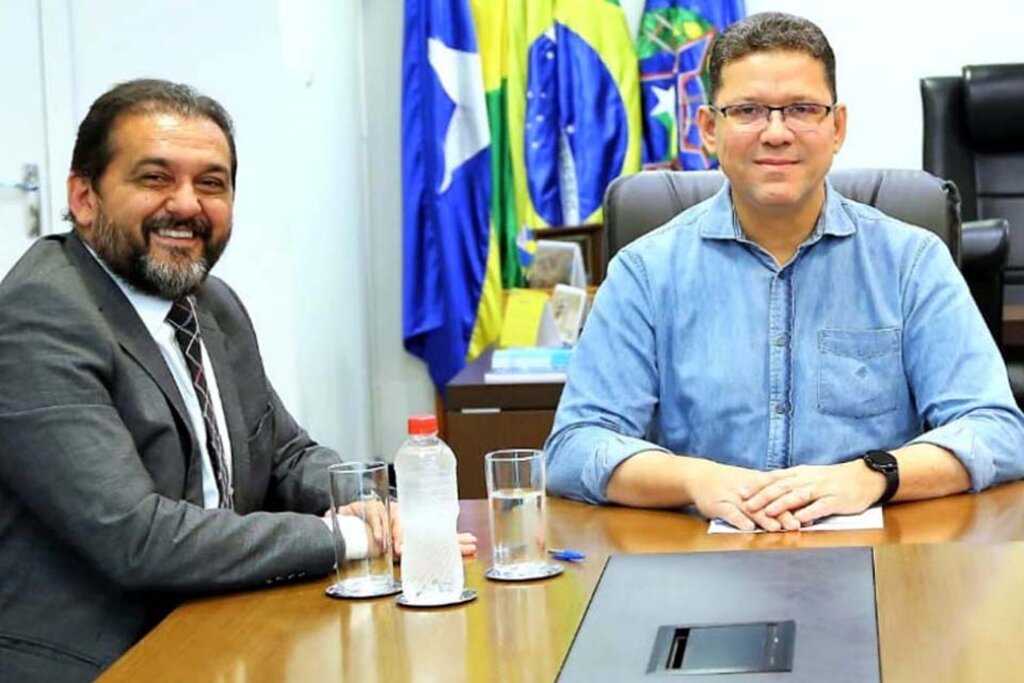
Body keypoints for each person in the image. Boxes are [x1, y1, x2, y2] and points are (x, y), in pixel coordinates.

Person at [0, 79, 474, 681]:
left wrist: (377, 507)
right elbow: (136, 539)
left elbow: (284, 453)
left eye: (211, 184)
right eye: (154, 178)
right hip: (107, 657)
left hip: (224, 624)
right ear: (85, 197)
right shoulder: (39, 317)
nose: (187, 205)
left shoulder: (210, 301)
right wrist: (344, 538)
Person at [545, 13, 1024, 532]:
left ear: (836, 127)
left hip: (880, 561)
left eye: (801, 109)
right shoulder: (645, 272)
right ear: (709, 128)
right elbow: (575, 446)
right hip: (699, 562)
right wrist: (693, 480)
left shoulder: (911, 262)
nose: (775, 133)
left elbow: (996, 430)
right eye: (747, 110)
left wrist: (874, 473)